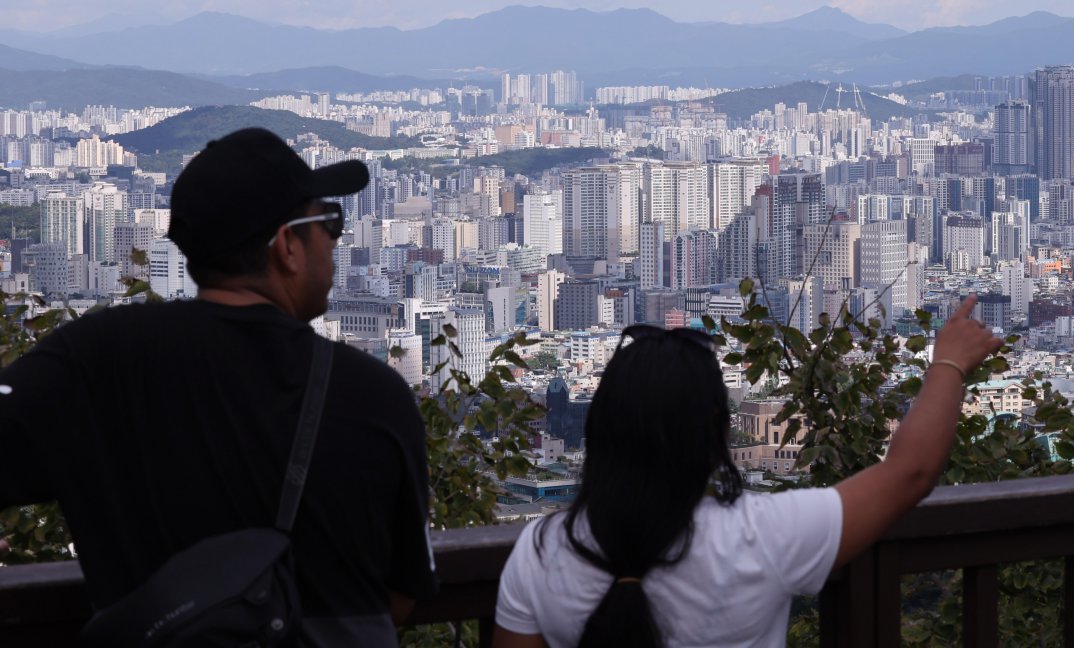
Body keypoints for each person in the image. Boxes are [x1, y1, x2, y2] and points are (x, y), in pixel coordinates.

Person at [0, 128, 436, 645]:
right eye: (330, 221)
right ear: (287, 246)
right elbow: (404, 594)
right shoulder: (372, 394)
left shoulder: (91, 362)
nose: (337, 239)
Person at [493, 295, 1003, 648]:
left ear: (599, 428)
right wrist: (949, 363)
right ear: (717, 434)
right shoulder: (761, 535)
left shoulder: (541, 551)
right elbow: (910, 472)